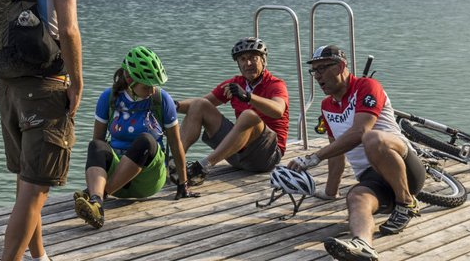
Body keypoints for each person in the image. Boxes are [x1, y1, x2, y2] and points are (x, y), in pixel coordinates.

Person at [0, 0, 83, 261]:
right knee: (35, 190)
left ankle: (39, 255)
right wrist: (77, 83)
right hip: (46, 86)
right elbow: (68, 30)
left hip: (7, 84)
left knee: (27, 180)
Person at [286, 45, 424, 261]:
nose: (318, 76)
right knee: (356, 197)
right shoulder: (326, 106)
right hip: (373, 177)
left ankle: (406, 203)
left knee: (371, 138)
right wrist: (331, 191)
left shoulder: (367, 87)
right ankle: (363, 244)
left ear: (341, 66)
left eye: (322, 68)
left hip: (406, 169)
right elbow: (336, 152)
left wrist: (314, 157)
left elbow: (361, 131)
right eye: (314, 71)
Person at [73, 46, 194, 229]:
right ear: (130, 80)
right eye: (147, 86)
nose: (152, 90)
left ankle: (98, 197)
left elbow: (176, 144)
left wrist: (183, 184)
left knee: (146, 140)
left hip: (149, 178)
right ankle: (96, 205)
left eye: (155, 85)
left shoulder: (162, 100)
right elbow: (98, 146)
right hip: (118, 179)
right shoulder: (109, 98)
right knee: (96, 145)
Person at [176, 36, 290, 185]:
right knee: (199, 104)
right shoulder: (235, 83)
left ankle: (203, 167)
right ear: (238, 63)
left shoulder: (275, 84)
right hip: (236, 153)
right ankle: (176, 164)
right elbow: (198, 106)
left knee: (249, 115)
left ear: (263, 60)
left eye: (253, 58)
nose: (248, 63)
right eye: (242, 59)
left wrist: (248, 97)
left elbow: (278, 110)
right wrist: (173, 105)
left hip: (266, 156)